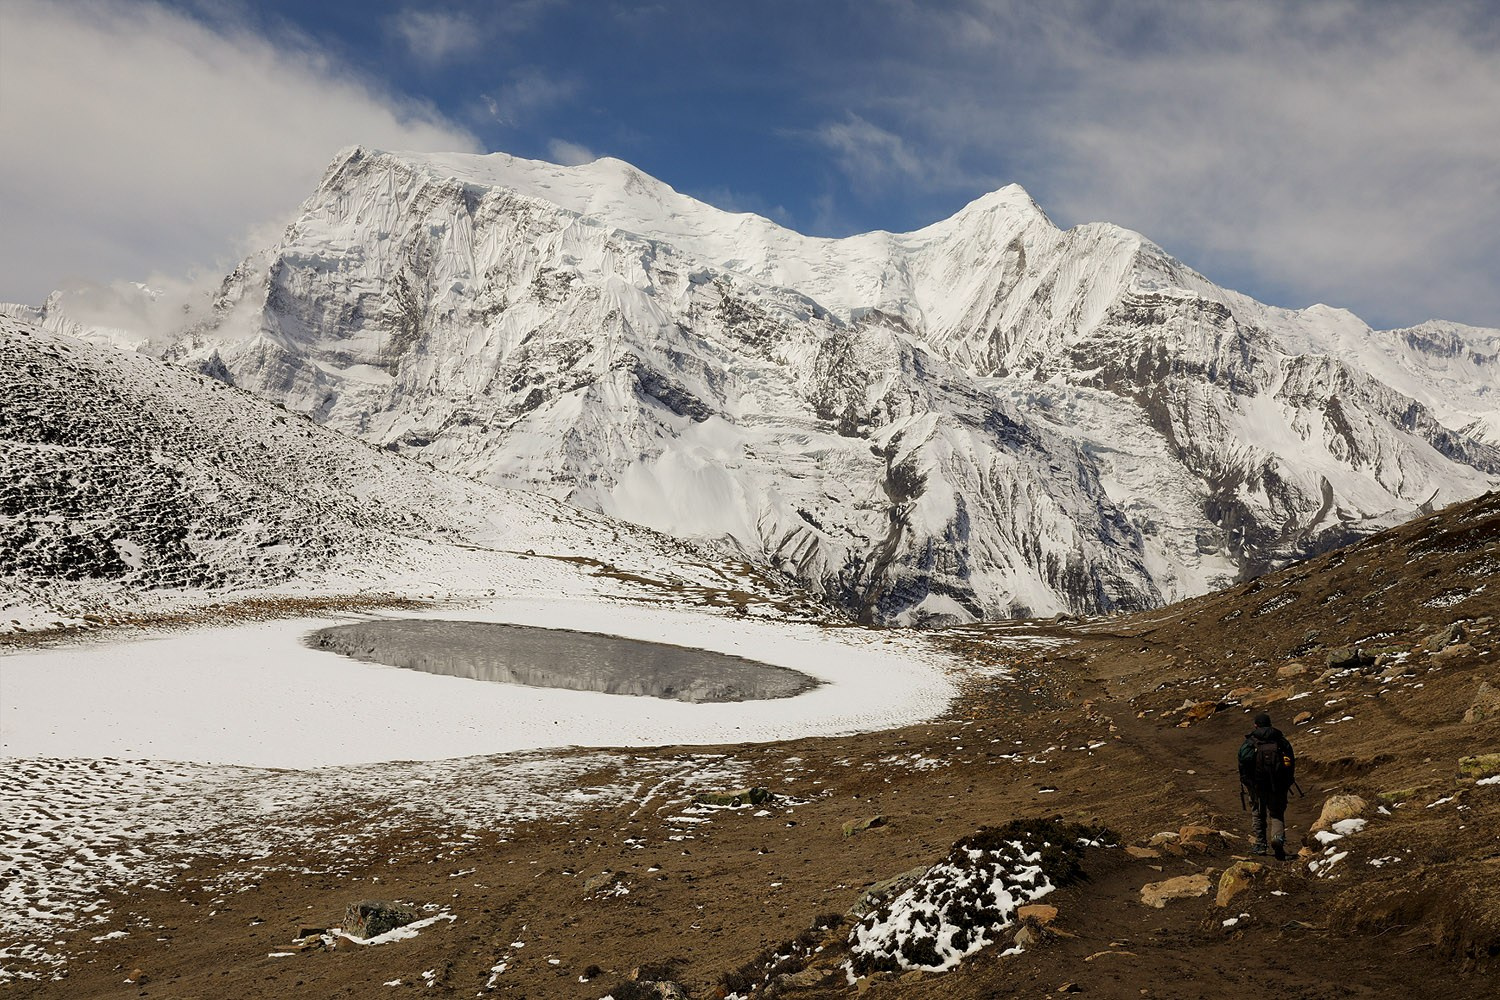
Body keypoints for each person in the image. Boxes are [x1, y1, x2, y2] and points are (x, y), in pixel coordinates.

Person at [1238, 711, 1295, 859]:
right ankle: (1277, 839)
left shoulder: (1251, 741)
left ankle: (1260, 844)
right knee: (1276, 813)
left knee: (1258, 812)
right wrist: (1287, 780)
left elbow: (1242, 760)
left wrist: (1247, 781)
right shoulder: (1280, 740)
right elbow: (1291, 761)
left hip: (1256, 785)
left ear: (1256, 725)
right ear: (1270, 724)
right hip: (1278, 784)